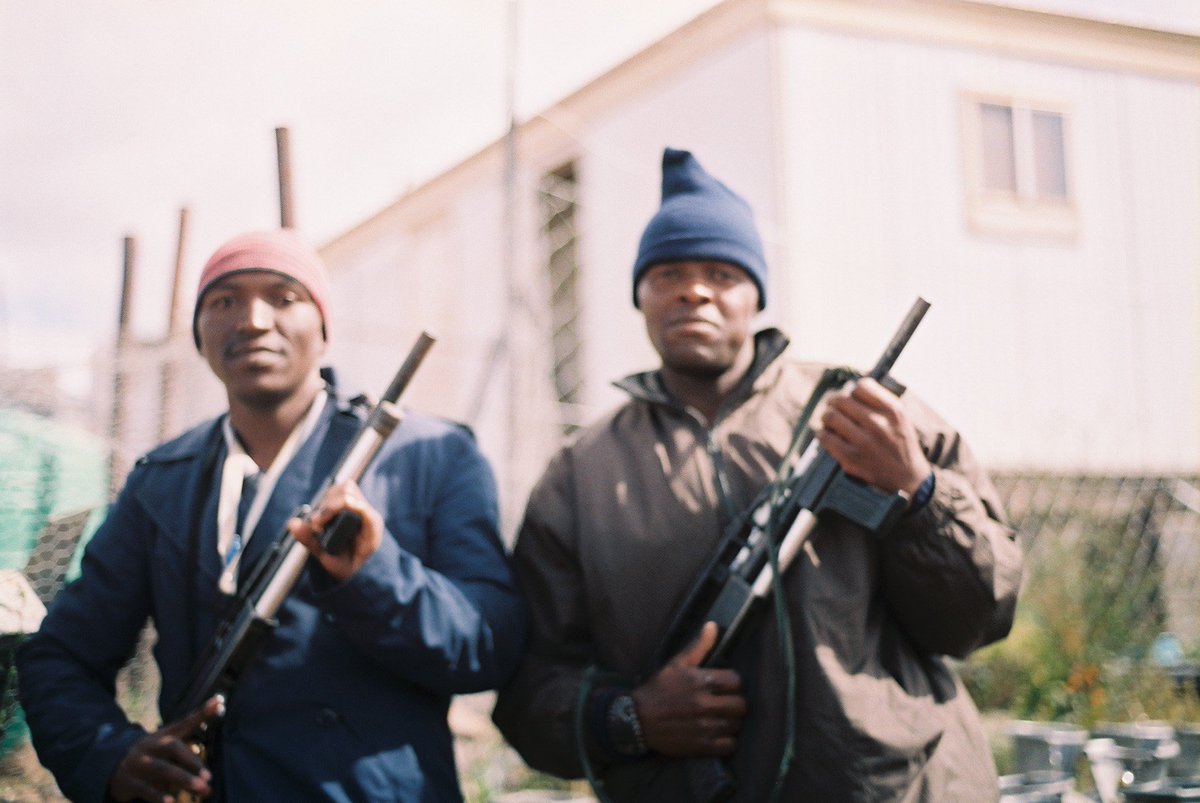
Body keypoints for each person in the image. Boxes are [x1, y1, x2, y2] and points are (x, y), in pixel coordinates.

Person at [492, 148, 1023, 801]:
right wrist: (628, 718)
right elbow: (528, 689)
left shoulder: (868, 415)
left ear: (756, 295)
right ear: (640, 296)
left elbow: (983, 613)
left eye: (721, 271)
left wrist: (918, 489)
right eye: (668, 273)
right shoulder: (581, 475)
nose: (694, 289)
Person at [19, 229, 527, 803]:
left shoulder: (431, 456)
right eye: (223, 300)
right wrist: (107, 755)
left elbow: (489, 645)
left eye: (285, 297)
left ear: (324, 328)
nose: (253, 320)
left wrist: (373, 573)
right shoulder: (162, 481)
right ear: (199, 334)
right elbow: (59, 657)